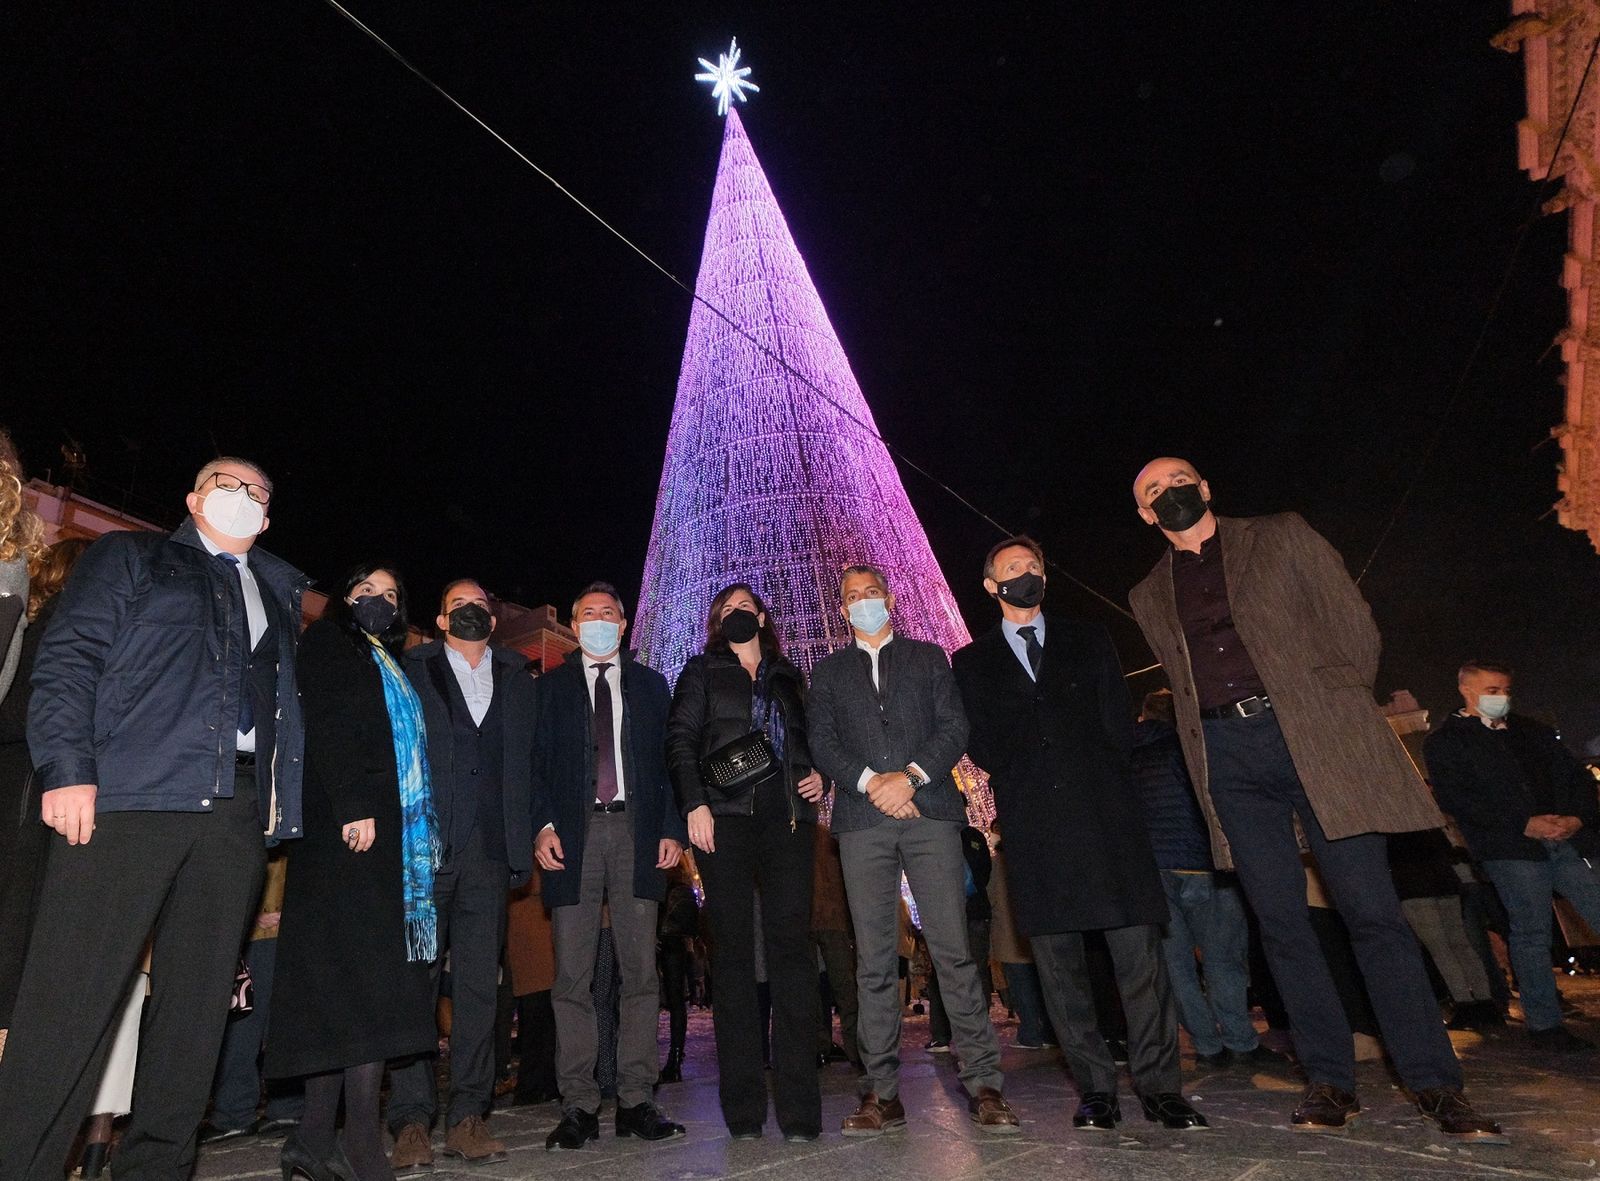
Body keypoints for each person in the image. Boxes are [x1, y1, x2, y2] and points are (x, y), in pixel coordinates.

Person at [1126, 457, 1501, 1140]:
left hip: (1313, 735)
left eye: (1178, 478)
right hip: (1227, 755)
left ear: (1205, 486)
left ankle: (1435, 1082)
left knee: (1372, 913)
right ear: (1146, 514)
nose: (1168, 492)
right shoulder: (1148, 591)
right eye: (1152, 491)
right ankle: (1330, 1079)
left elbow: (1352, 625)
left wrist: (1330, 702)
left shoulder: (1279, 535)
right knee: (1282, 925)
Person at [0, 457, 308, 1178]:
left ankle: (159, 1168)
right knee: (69, 1000)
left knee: (196, 1013)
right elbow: (69, 658)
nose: (242, 497)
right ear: (194, 498)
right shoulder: (132, 556)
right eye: (225, 484)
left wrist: (275, 813)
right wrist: (68, 770)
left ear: (267, 519)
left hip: (233, 815)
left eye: (257, 492)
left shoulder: (277, 592)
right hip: (129, 798)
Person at [953, 537, 1204, 1132]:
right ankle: (1095, 1090)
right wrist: (1024, 771)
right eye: (1013, 570)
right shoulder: (971, 661)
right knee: (1059, 968)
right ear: (991, 586)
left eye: (1034, 567)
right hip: (1036, 823)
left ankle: (1160, 1088)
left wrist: (1096, 772)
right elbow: (976, 739)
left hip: (1106, 815)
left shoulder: (1088, 638)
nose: (1026, 575)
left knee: (1139, 961)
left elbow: (1117, 717)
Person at [807, 563, 1019, 1137]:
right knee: (874, 960)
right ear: (841, 609)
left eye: (871, 592)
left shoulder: (929, 658)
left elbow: (954, 726)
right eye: (852, 597)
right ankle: (880, 1093)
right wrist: (873, 782)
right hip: (861, 820)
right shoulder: (826, 674)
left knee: (953, 951)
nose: (863, 602)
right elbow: (821, 741)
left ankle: (985, 1085)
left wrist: (912, 777)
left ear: (890, 598)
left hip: (930, 813)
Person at [265, 566, 440, 1181]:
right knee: (355, 986)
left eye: (394, 595)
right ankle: (360, 1138)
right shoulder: (329, 642)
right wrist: (353, 805)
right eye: (369, 590)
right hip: (349, 832)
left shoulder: (387, 660)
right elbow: (332, 726)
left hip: (385, 841)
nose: (382, 601)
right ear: (345, 596)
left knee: (358, 987)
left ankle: (315, 1139)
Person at [532, 582, 688, 1150]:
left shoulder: (651, 685)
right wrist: (541, 824)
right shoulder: (548, 689)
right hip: (571, 837)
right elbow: (535, 764)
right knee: (571, 974)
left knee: (639, 971)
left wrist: (672, 826)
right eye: (587, 614)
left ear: (623, 625)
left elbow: (672, 764)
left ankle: (636, 1098)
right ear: (574, 625)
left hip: (636, 831)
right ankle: (577, 1104)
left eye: (608, 614)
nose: (598, 621)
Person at [668, 583, 826, 1140]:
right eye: (724, 610)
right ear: (717, 622)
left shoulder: (789, 676)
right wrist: (694, 804)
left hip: (786, 818)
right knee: (732, 955)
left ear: (761, 615)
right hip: (725, 819)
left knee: (792, 954)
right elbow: (681, 739)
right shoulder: (701, 672)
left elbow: (806, 741)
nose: (735, 615)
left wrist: (815, 773)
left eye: (743, 607)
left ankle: (802, 1108)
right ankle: (742, 1109)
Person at [387, 579, 537, 1168]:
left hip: (490, 859)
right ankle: (411, 1121)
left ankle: (469, 1115)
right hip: (424, 858)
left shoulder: (520, 679)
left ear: (492, 620)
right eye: (459, 606)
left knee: (479, 988)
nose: (471, 612)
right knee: (416, 986)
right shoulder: (411, 669)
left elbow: (530, 762)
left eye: (481, 605)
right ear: (441, 620)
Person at [1424, 661, 1600, 1052]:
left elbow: (1576, 776)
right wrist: (1522, 823)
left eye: (1505, 689)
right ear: (1467, 691)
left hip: (1566, 839)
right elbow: (1458, 798)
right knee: (1531, 932)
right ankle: (1545, 1025)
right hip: (1510, 848)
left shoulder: (1530, 730)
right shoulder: (1447, 741)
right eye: (1492, 690)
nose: (1501, 697)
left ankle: (1546, 1021)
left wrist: (1576, 817)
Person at [1133, 689, 1282, 1069]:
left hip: (1153, 870)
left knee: (1176, 965)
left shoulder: (1128, 754)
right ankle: (1239, 1041)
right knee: (1223, 958)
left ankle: (1206, 1044)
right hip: (1203, 863)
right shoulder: (1192, 748)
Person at [0, 537, 88, 1051]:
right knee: (19, 911)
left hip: (24, 774)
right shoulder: (65, 622)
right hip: (32, 781)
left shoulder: (34, 621)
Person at [198, 851, 305, 1144]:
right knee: (243, 1014)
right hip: (248, 910)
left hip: (277, 908)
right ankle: (239, 1109)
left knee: (264, 1014)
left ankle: (274, 1107)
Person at [985, 825, 1056, 1050]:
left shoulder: (997, 865)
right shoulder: (1034, 860)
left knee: (1020, 986)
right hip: (1036, 932)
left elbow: (991, 897)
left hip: (1010, 935)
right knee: (1041, 984)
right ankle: (1048, 1031)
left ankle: (1031, 1033)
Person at [926, 825, 993, 1054]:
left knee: (946, 970)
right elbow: (984, 871)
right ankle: (974, 1031)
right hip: (970, 911)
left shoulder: (938, 832)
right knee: (972, 970)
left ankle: (945, 1034)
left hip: (961, 911)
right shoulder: (972, 836)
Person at [811, 821, 861, 1067]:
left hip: (807, 920)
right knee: (846, 990)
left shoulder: (795, 835)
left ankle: (820, 1047)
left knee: (812, 991)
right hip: (834, 919)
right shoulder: (831, 836)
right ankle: (856, 1050)